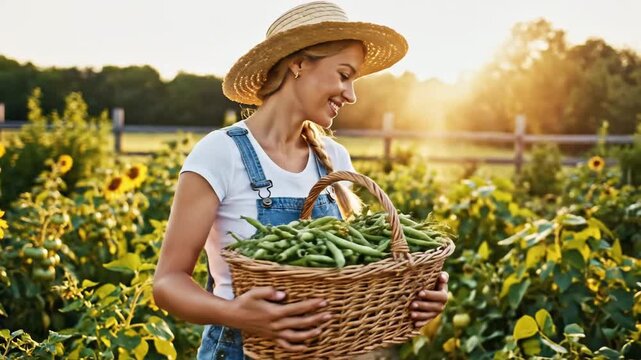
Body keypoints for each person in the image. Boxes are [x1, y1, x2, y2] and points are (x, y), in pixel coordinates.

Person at [152, 1, 449, 359]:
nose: (351, 94)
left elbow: (346, 275)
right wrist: (237, 313)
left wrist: (413, 290)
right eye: (344, 74)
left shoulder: (334, 160)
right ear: (298, 63)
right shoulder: (221, 153)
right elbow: (168, 284)